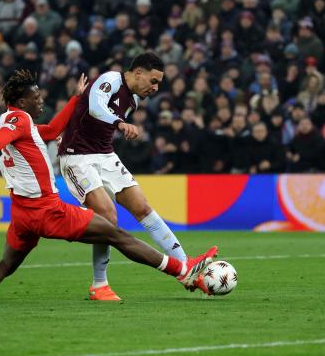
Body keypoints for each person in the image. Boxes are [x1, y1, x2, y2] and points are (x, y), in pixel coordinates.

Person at [0, 70, 217, 304]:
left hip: (22, 215)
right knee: (118, 234)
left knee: (5, 265)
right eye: (36, 97)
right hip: (47, 210)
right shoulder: (17, 120)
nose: (40, 100)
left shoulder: (22, 123)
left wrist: (76, 98)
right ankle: (182, 271)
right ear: (21, 102)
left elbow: (55, 129)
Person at [57, 52, 212, 300]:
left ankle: (186, 267)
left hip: (105, 155)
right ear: (138, 73)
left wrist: (117, 123)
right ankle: (99, 285)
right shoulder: (110, 79)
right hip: (77, 158)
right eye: (153, 81)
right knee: (107, 216)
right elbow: (96, 108)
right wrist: (120, 123)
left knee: (142, 206)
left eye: (158, 83)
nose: (155, 87)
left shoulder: (134, 101)